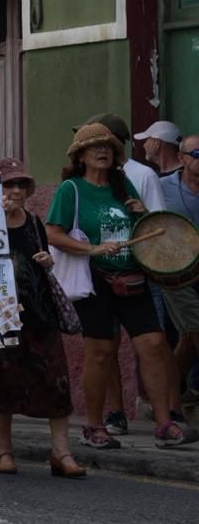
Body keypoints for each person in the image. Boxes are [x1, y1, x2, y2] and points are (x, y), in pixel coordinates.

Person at [44, 122, 195, 449]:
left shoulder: (123, 185)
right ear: (81, 156)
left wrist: (142, 214)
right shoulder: (71, 189)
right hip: (96, 279)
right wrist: (92, 249)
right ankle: (95, 426)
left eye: (109, 148)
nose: (102, 152)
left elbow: (142, 234)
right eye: (94, 147)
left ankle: (164, 423)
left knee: (154, 344)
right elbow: (53, 233)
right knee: (100, 352)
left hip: (132, 276)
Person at [0, 158, 86, 478]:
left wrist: (46, 262)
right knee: (4, 381)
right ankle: (4, 451)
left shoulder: (33, 222)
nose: (14, 191)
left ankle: (62, 452)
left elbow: (42, 257)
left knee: (57, 383)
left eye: (19, 185)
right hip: (3, 313)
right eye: (7, 185)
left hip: (39, 312)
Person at [157, 135, 199, 397]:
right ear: (182, 158)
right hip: (177, 274)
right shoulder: (162, 188)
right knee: (196, 330)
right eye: (198, 153)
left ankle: (165, 395)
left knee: (187, 339)